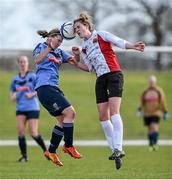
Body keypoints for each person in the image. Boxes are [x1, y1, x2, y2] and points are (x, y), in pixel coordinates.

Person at [71, 11, 145, 170]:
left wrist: (133, 46)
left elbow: (118, 41)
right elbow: (89, 68)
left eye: (78, 27)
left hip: (114, 75)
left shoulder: (101, 35)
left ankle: (118, 147)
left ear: (86, 25)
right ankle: (114, 151)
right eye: (75, 29)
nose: (77, 30)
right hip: (100, 79)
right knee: (103, 116)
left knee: (114, 111)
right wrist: (76, 59)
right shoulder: (84, 48)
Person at [32, 28, 82, 167]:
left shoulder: (59, 52)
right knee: (71, 112)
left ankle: (51, 151)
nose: (59, 43)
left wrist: (77, 55)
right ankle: (68, 145)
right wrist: (49, 47)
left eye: (61, 41)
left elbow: (74, 62)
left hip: (52, 88)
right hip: (44, 87)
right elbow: (37, 60)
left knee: (62, 120)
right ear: (50, 38)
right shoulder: (41, 47)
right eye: (58, 40)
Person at [10, 55, 47, 162]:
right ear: (19, 63)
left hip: (32, 108)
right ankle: (24, 156)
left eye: (25, 61)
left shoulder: (33, 76)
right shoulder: (15, 79)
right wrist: (14, 96)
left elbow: (39, 89)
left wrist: (32, 94)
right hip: (20, 108)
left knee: (33, 132)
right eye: (21, 62)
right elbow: (12, 94)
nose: (23, 63)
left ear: (27, 63)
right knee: (20, 132)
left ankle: (47, 151)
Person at [137, 75, 169, 151]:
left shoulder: (159, 91)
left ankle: (155, 143)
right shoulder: (145, 91)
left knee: (154, 126)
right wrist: (139, 109)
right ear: (149, 82)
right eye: (150, 81)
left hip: (156, 112)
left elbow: (163, 101)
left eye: (153, 81)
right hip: (147, 113)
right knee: (149, 129)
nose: (151, 83)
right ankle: (151, 144)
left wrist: (165, 111)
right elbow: (142, 102)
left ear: (155, 82)